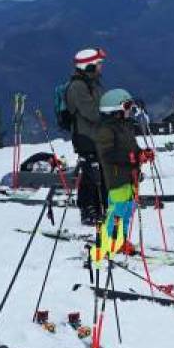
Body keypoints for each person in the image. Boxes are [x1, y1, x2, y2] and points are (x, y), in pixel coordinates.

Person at [92, 87, 149, 251]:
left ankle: (120, 240)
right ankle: (110, 239)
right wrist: (132, 158)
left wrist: (142, 154)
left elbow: (133, 148)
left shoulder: (126, 127)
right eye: (127, 106)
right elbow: (107, 155)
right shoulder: (105, 130)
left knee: (127, 210)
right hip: (116, 177)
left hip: (130, 176)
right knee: (117, 210)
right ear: (114, 110)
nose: (130, 110)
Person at [63, 48, 108, 226]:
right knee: (91, 173)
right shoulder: (78, 87)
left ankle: (99, 207)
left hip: (96, 135)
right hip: (85, 137)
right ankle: (88, 209)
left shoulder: (94, 84)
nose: (101, 67)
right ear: (88, 66)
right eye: (98, 64)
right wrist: (111, 114)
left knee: (100, 172)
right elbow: (91, 112)